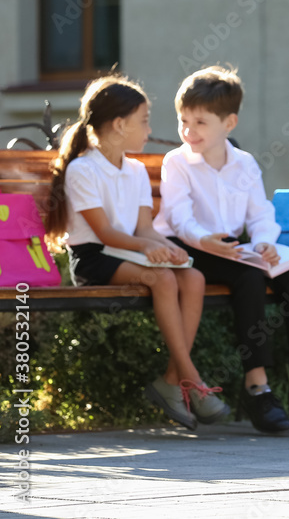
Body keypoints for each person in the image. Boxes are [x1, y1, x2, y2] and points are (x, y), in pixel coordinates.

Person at [153, 66, 289, 434]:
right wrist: (207, 241)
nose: (188, 131)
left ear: (229, 123)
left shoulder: (244, 163)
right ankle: (257, 387)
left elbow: (261, 214)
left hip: (233, 248)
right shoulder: (177, 163)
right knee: (249, 278)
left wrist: (265, 241)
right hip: (189, 248)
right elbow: (180, 219)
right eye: (182, 121)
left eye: (200, 122)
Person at [45, 75, 228, 431]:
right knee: (161, 280)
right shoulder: (82, 170)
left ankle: (171, 382)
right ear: (118, 124)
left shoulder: (137, 170)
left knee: (193, 276)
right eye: (143, 120)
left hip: (129, 253)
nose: (148, 129)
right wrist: (149, 248)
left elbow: (144, 229)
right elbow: (104, 233)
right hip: (95, 257)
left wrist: (169, 248)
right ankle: (192, 380)